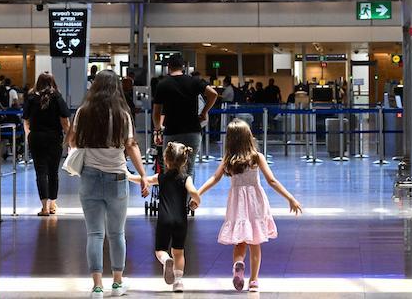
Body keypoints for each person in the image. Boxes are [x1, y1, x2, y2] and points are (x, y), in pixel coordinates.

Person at [67, 70, 149, 299]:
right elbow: (131, 146)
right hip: (117, 178)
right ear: (117, 88)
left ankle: (96, 287)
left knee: (94, 234)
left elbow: (72, 140)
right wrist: (143, 175)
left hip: (90, 177)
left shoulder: (83, 112)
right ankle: (117, 283)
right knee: (116, 234)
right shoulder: (122, 113)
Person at [198, 120, 303, 293]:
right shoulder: (256, 157)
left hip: (237, 203)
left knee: (240, 242)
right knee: (255, 242)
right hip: (255, 203)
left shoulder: (228, 160)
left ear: (230, 140)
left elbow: (214, 179)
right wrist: (290, 197)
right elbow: (272, 181)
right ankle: (253, 280)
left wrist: (198, 193)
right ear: (249, 137)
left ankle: (238, 264)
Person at [128, 142, 200, 293]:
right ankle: (178, 282)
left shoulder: (161, 177)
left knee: (160, 249)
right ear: (185, 161)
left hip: (164, 219)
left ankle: (166, 260)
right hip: (181, 220)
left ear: (165, 160)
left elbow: (144, 180)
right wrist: (196, 201)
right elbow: (194, 192)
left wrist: (128, 175)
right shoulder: (186, 178)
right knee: (179, 252)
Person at [152, 54, 218, 180]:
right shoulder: (194, 81)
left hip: (171, 132)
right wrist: (204, 112)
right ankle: (187, 199)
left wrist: (158, 129)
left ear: (168, 67)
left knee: (170, 169)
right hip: (192, 131)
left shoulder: (162, 84)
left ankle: (171, 198)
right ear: (183, 67)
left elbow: (156, 113)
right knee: (189, 169)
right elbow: (213, 94)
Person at [22, 73, 70, 216]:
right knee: (53, 172)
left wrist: (28, 136)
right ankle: (53, 204)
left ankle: (44, 207)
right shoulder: (57, 97)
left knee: (40, 172)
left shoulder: (31, 98)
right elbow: (65, 122)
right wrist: (70, 139)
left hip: (36, 137)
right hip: (54, 138)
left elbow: (26, 120)